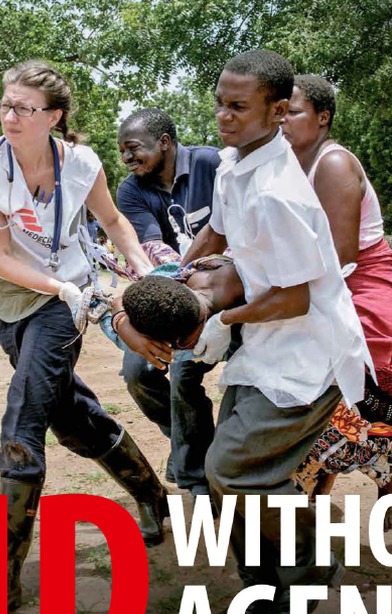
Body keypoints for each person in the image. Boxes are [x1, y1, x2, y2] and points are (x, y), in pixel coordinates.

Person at [0, 59, 165, 612]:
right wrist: (57, 285)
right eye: (5, 104)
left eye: (23, 108)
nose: (9, 116)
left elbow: (115, 222)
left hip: (62, 305)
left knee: (25, 413)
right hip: (10, 299)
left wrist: (140, 267)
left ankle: (3, 577)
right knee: (69, 415)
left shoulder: (80, 164)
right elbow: (0, 257)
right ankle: (151, 494)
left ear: (52, 116)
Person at [182, 49, 373, 614]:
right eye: (220, 103)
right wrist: (174, 276)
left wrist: (222, 319)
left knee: (231, 469)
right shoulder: (235, 166)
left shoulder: (280, 192)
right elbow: (229, 241)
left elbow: (294, 298)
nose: (224, 116)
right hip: (265, 347)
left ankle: (313, 569)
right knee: (236, 479)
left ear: (279, 109)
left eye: (238, 106)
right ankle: (263, 594)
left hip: (305, 357)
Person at [281, 73, 392, 523]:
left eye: (293, 112)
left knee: (354, 389)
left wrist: (271, 295)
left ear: (323, 117)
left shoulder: (333, 163)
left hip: (362, 284)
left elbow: (340, 255)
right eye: (278, 111)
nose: (283, 122)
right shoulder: (282, 166)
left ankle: (377, 477)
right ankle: (340, 483)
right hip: (319, 283)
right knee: (311, 394)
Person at [116, 107, 221, 496]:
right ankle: (188, 445)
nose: (127, 159)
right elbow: (152, 249)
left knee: (182, 370)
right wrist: (177, 280)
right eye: (122, 152)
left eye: (133, 149)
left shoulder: (212, 163)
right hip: (170, 290)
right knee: (137, 373)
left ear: (164, 142)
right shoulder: (131, 190)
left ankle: (196, 479)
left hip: (226, 290)